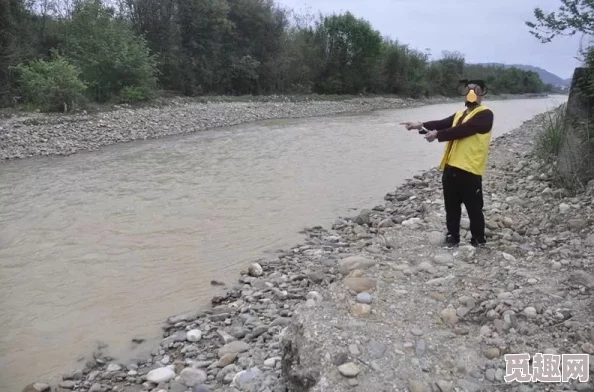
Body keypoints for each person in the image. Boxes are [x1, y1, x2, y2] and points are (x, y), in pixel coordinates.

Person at [400, 80, 494, 249]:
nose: (471, 94)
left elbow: (463, 130)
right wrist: (420, 126)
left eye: (476, 91)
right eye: (468, 91)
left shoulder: (485, 115)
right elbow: (442, 123)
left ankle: (478, 240)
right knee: (451, 207)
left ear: (481, 95)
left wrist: (437, 135)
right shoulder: (459, 114)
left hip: (470, 170)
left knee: (474, 208)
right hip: (451, 168)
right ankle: (452, 238)